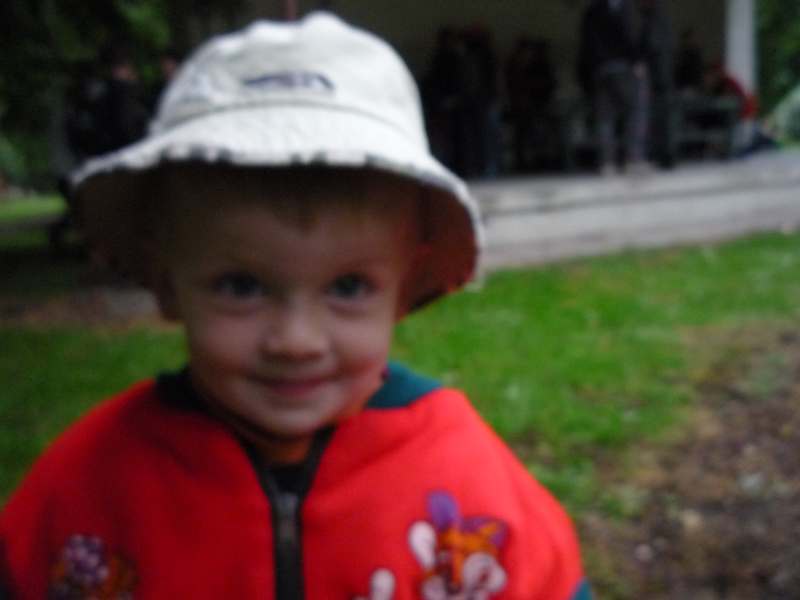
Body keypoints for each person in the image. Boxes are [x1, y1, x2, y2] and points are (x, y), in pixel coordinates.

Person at [1, 13, 592, 600]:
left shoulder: (468, 476)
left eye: (349, 287)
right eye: (241, 286)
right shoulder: (89, 484)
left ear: (405, 289)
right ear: (166, 283)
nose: (296, 340)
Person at [577, 0, 646, 175]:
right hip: (622, 67)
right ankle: (633, 159)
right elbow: (630, 35)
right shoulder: (624, 8)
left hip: (601, 69)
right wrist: (636, 61)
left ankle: (607, 162)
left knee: (605, 118)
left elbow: (586, 42)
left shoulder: (592, 11)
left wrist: (593, 66)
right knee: (635, 112)